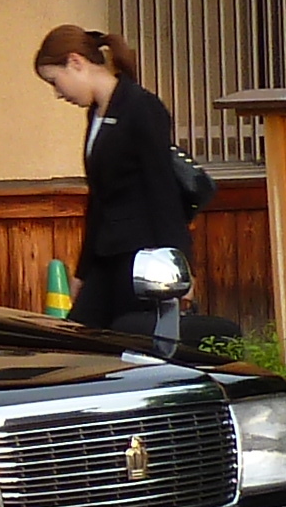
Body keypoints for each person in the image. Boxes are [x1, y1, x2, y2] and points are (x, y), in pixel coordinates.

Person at [33, 23, 189, 341]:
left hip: (142, 257)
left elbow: (163, 191)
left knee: (130, 346)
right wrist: (82, 271)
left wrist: (182, 267)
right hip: (106, 255)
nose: (58, 93)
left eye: (55, 81)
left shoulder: (141, 107)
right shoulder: (96, 114)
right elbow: (99, 200)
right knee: (79, 339)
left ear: (76, 62)